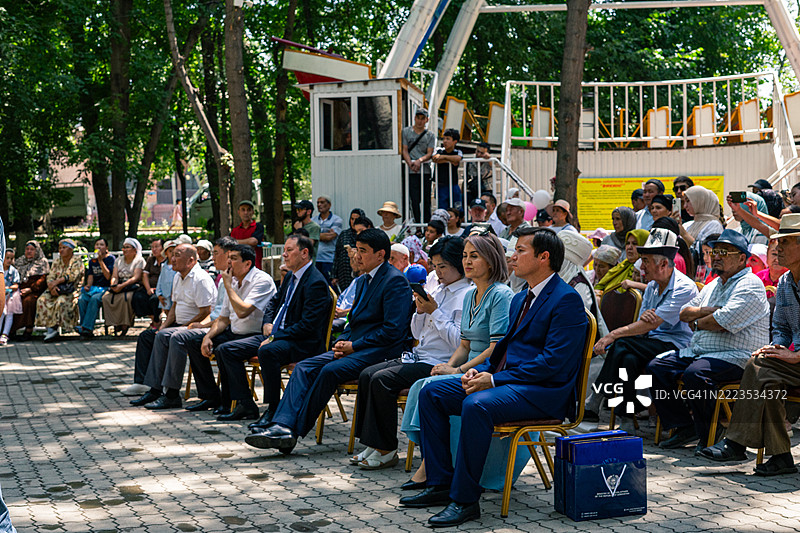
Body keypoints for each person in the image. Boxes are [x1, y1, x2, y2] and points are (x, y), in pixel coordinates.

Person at [399, 228, 588, 527]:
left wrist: (495, 380)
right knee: (432, 393)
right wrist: (483, 371)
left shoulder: (566, 299)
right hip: (514, 383)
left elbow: (553, 364)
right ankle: (440, 482)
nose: (513, 256)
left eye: (521, 250)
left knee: (477, 404)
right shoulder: (521, 298)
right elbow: (505, 350)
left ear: (544, 257)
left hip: (544, 393)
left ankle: (464, 500)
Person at [244, 228, 414, 453]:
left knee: (328, 371)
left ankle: (291, 432)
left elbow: (393, 331)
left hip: (381, 351)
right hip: (354, 347)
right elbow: (352, 321)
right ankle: (281, 424)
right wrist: (342, 341)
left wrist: (354, 345)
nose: (356, 256)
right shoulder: (363, 280)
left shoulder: (395, 281)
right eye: (356, 250)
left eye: (363, 251)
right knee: (304, 367)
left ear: (380, 254)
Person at [400, 231, 514, 488]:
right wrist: (449, 367)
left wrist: (458, 368)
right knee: (425, 384)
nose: (467, 262)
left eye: (475, 256)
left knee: (429, 388)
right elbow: (464, 345)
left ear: (492, 260)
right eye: (464, 256)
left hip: (486, 368)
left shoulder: (500, 294)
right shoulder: (471, 294)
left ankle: (432, 469)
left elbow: (495, 350)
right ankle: (433, 464)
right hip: (468, 365)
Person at [352, 237, 471, 470]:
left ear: (459, 265)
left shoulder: (466, 294)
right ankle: (372, 443)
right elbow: (416, 331)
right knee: (367, 374)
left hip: (440, 361)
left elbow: (459, 341)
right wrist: (419, 312)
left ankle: (386, 448)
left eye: (443, 266)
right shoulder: (436, 286)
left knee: (382, 380)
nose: (438, 272)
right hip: (419, 354)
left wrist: (434, 312)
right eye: (435, 266)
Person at [649, 229, 770, 450]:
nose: (716, 256)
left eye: (724, 252)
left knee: (696, 374)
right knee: (657, 366)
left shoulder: (749, 284)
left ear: (742, 258)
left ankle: (710, 435)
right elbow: (684, 313)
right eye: (715, 251)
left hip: (736, 357)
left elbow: (721, 323)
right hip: (701, 352)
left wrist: (699, 319)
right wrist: (710, 311)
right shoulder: (714, 284)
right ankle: (684, 426)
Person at [698, 215, 800, 474]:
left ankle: (736, 443)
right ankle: (781, 457)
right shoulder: (787, 282)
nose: (777, 249)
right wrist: (777, 348)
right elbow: (781, 327)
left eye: (785, 242)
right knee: (766, 377)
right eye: (777, 242)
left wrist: (797, 355)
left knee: (758, 368)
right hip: (792, 361)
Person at [216, 235, 331, 428]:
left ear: (304, 253)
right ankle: (245, 404)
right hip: (278, 335)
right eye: (284, 249)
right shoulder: (292, 276)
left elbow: (308, 326)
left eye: (289, 250)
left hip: (302, 342)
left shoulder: (315, 282)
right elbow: (273, 303)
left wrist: (275, 336)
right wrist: (267, 324)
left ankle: (273, 409)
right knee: (226, 349)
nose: (283, 254)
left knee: (268, 351)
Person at [592, 229, 698, 415]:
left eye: (646, 262)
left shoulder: (683, 287)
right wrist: (648, 321)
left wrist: (612, 335)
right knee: (628, 359)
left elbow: (651, 323)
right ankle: (627, 415)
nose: (642, 268)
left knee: (622, 342)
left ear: (664, 263)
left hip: (677, 345)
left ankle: (598, 395)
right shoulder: (652, 287)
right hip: (652, 341)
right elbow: (644, 324)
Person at [136, 237, 236, 403]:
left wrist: (187, 326)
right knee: (149, 336)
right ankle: (151, 388)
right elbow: (174, 307)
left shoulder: (201, 279)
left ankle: (171, 394)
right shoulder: (177, 276)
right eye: (172, 255)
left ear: (191, 260)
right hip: (182, 324)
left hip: (199, 325)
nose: (172, 259)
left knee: (174, 337)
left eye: (177, 255)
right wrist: (163, 325)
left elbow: (207, 311)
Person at [184, 244, 277, 419]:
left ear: (247, 263)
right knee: (194, 342)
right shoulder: (233, 280)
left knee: (225, 350)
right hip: (235, 332)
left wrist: (228, 286)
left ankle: (244, 404)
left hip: (258, 335)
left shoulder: (261, 280)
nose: (228, 263)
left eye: (233, 258)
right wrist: (208, 336)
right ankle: (212, 396)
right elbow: (224, 318)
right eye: (229, 258)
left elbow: (243, 311)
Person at [34, 239, 84, 343]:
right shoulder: (57, 261)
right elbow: (50, 276)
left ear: (71, 249)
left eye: (64, 248)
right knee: (42, 300)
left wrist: (56, 282)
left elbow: (72, 276)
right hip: (55, 288)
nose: (61, 250)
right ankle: (50, 328)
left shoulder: (77, 261)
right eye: (60, 248)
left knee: (60, 302)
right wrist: (52, 287)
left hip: (70, 290)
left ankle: (54, 328)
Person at [101, 238, 146, 337]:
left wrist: (121, 286)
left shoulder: (139, 260)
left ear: (134, 250)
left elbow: (136, 277)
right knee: (106, 298)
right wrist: (114, 284)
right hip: (119, 284)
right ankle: (114, 323)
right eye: (124, 247)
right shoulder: (119, 260)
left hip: (131, 286)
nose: (124, 250)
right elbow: (114, 276)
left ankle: (125, 324)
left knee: (126, 299)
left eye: (127, 247)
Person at [76, 238, 115, 339]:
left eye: (101, 245)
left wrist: (100, 261)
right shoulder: (92, 261)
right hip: (94, 288)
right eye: (97, 245)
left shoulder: (111, 259)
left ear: (106, 248)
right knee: (82, 299)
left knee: (94, 299)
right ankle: (85, 329)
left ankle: (87, 328)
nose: (98, 247)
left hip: (106, 288)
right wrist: (88, 285)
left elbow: (108, 276)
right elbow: (90, 275)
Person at [402, 108, 436, 223]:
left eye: (423, 118)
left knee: (426, 199)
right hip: (411, 171)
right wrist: (410, 162)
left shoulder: (430, 135)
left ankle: (427, 224)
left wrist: (419, 161)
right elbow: (404, 150)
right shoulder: (406, 132)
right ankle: (417, 224)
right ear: (414, 118)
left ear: (426, 120)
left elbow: (430, 153)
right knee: (414, 199)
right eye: (418, 118)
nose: (420, 121)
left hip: (425, 170)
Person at [10, 240, 49, 341]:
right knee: (12, 300)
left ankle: (28, 330)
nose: (29, 251)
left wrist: (31, 289)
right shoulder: (20, 261)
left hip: (35, 290)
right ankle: (11, 330)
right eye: (27, 249)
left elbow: (43, 280)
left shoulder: (42, 262)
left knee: (28, 301)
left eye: (32, 249)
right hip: (20, 289)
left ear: (37, 251)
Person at [678, 185, 723, 251]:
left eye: (688, 201)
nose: (685, 206)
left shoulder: (714, 225)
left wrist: (684, 234)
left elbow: (706, 252)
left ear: (700, 201)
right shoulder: (690, 224)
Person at [331, 208, 366, 292]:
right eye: (352, 219)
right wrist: (334, 275)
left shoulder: (365, 235)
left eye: (356, 219)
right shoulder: (344, 234)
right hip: (344, 273)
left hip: (359, 272)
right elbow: (337, 255)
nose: (353, 221)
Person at [313, 195, 343, 280]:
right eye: (318, 203)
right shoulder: (313, 220)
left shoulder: (337, 220)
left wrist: (314, 235)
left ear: (329, 205)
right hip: (315, 259)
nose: (319, 205)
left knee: (329, 286)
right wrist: (325, 232)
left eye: (322, 202)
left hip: (329, 259)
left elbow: (330, 237)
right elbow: (307, 236)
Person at [432, 129, 463, 209]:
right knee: (442, 209)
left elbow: (458, 158)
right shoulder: (439, 150)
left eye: (448, 139)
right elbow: (435, 158)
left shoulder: (458, 151)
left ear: (455, 141)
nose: (445, 141)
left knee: (457, 208)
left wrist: (444, 158)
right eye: (444, 139)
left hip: (453, 185)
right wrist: (450, 160)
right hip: (441, 185)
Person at [231, 200, 266, 267]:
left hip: (255, 266)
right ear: (239, 212)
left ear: (252, 212)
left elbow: (254, 241)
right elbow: (230, 246)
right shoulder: (235, 230)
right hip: (238, 267)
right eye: (243, 210)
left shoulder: (258, 226)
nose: (246, 212)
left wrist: (235, 242)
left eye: (248, 210)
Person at [138, 239, 164, 329]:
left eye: (156, 247)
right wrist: (148, 288)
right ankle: (155, 320)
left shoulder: (168, 261)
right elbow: (145, 275)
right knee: (138, 297)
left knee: (154, 299)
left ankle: (157, 321)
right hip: (150, 287)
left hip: (161, 288)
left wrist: (158, 289)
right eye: (152, 247)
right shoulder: (151, 260)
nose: (154, 249)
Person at [153, 241, 178, 324]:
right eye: (170, 251)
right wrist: (159, 294)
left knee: (175, 311)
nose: (172, 254)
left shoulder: (178, 266)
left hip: (174, 293)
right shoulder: (164, 266)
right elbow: (160, 280)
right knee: (167, 310)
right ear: (166, 253)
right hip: (165, 293)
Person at [0, 250, 19, 345]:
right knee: (2, 312)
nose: (9, 260)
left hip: (11, 296)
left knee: (9, 313)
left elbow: (16, 285)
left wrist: (7, 288)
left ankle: (5, 334)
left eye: (11, 258)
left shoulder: (13, 271)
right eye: (7, 258)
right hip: (1, 295)